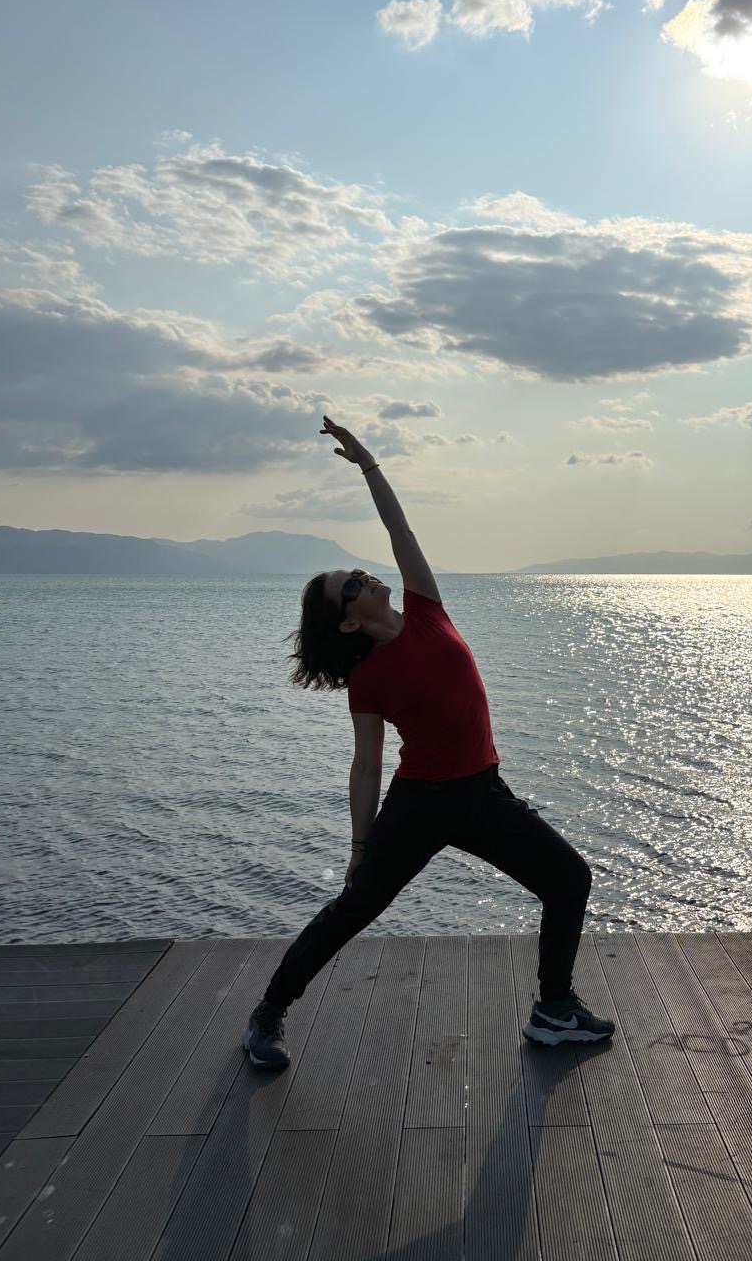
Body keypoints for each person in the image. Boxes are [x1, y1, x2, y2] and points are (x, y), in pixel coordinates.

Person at [242, 414, 615, 1068]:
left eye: (355, 571)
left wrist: (368, 465)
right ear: (348, 622)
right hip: (419, 803)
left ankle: (554, 1010)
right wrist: (360, 846)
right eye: (350, 587)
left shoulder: (426, 609)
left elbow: (400, 531)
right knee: (354, 909)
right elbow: (366, 766)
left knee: (568, 879)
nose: (363, 577)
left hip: (482, 794)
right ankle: (267, 1015)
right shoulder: (368, 679)